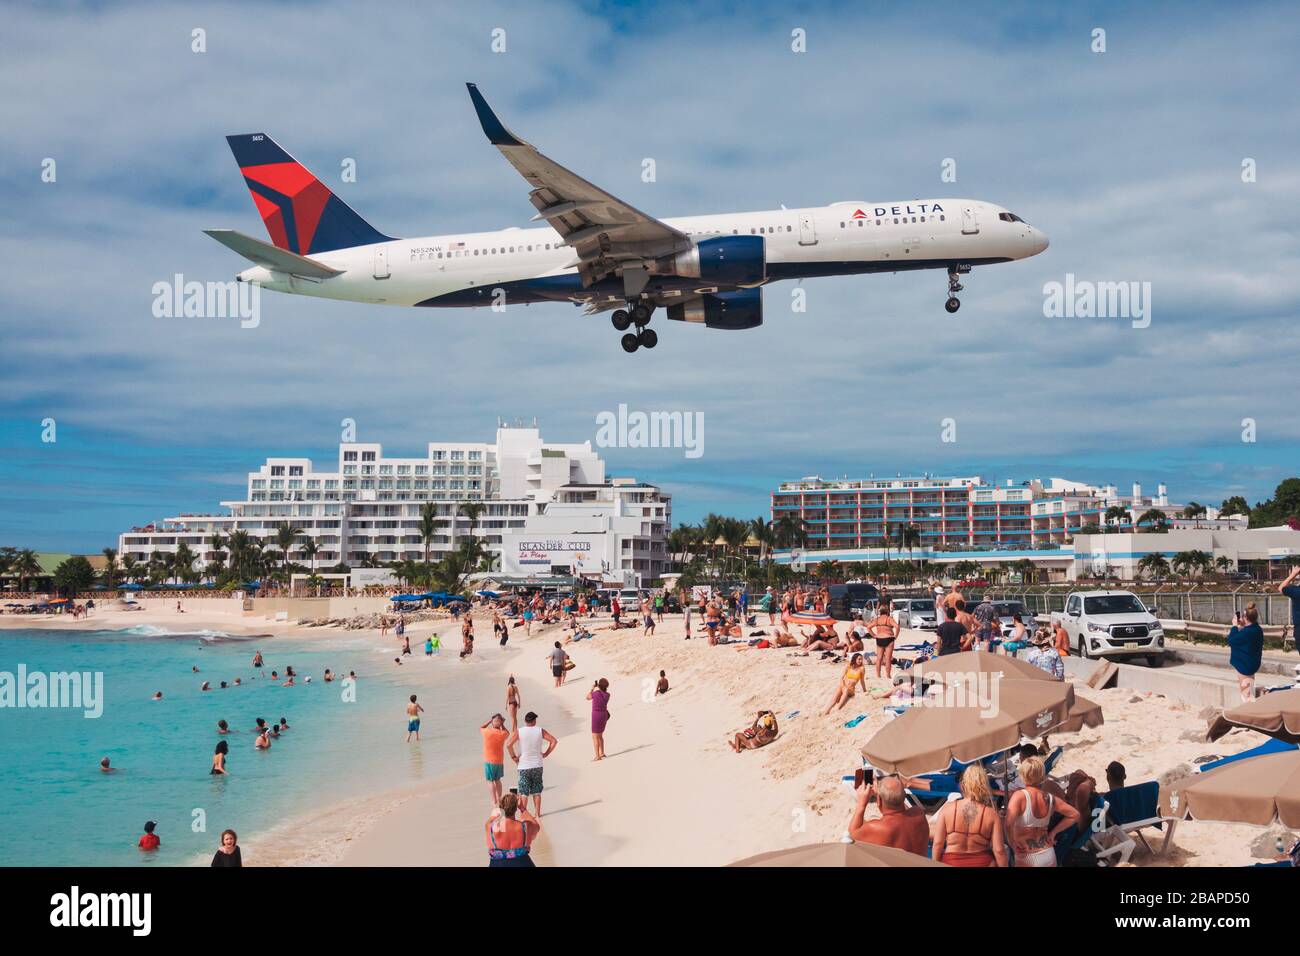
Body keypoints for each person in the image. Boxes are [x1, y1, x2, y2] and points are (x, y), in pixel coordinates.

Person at [1006, 755, 1080, 866]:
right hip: (1047, 853)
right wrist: (1053, 833)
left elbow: (1008, 824)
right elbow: (1075, 814)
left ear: (1023, 775)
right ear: (1041, 775)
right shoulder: (1050, 798)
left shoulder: (1019, 796)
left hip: (1027, 855)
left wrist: (1012, 843)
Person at [932, 765, 1008, 867]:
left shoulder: (947, 809)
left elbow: (937, 844)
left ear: (963, 784)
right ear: (984, 785)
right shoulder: (991, 814)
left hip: (952, 862)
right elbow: (999, 851)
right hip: (982, 862)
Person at [848, 775, 929, 857]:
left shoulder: (878, 828)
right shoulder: (919, 814)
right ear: (904, 796)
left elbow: (851, 836)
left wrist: (861, 804)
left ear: (878, 800)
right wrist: (883, 793)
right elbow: (901, 809)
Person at [508, 712, 557, 817]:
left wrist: (514, 757)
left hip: (523, 766)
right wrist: (546, 753)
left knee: (524, 793)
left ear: (525, 721)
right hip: (537, 765)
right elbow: (553, 741)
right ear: (534, 721)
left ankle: (523, 814)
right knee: (537, 791)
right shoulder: (539, 730)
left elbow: (508, 745)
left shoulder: (520, 731)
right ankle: (537, 814)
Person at [485, 792, 540, 868]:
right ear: (515, 808)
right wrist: (522, 809)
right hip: (523, 863)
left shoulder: (490, 827)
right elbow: (537, 827)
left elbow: (490, 820)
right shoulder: (525, 826)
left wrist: (498, 811)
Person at [1227, 605, 1265, 702]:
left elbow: (1232, 640)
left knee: (1246, 696)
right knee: (1249, 690)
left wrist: (1234, 626)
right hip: (1252, 664)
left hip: (1244, 666)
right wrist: (1243, 625)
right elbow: (1246, 636)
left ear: (1246, 618)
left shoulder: (1247, 632)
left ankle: (1250, 714)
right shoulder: (1257, 629)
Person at [481, 714, 510, 806]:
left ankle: (494, 800)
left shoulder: (487, 732)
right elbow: (508, 732)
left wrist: (490, 720)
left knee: (490, 781)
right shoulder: (502, 734)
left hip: (489, 760)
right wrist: (502, 724)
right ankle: (499, 798)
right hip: (499, 761)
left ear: (492, 723)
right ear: (501, 723)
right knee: (497, 780)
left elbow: (482, 727)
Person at [868, 605, 899, 678]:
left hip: (879, 639)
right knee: (888, 659)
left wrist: (874, 635)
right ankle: (888, 675)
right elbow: (897, 627)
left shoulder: (877, 619)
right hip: (889, 638)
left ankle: (878, 675)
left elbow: (868, 627)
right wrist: (896, 636)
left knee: (879, 658)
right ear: (887, 611)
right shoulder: (889, 619)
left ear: (880, 611)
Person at [588, 678, 611, 760]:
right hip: (604, 715)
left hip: (596, 715)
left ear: (599, 685)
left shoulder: (596, 693)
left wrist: (592, 688)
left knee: (595, 736)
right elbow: (602, 694)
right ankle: (602, 753)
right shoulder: (608, 695)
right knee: (600, 735)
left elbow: (588, 697)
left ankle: (597, 755)